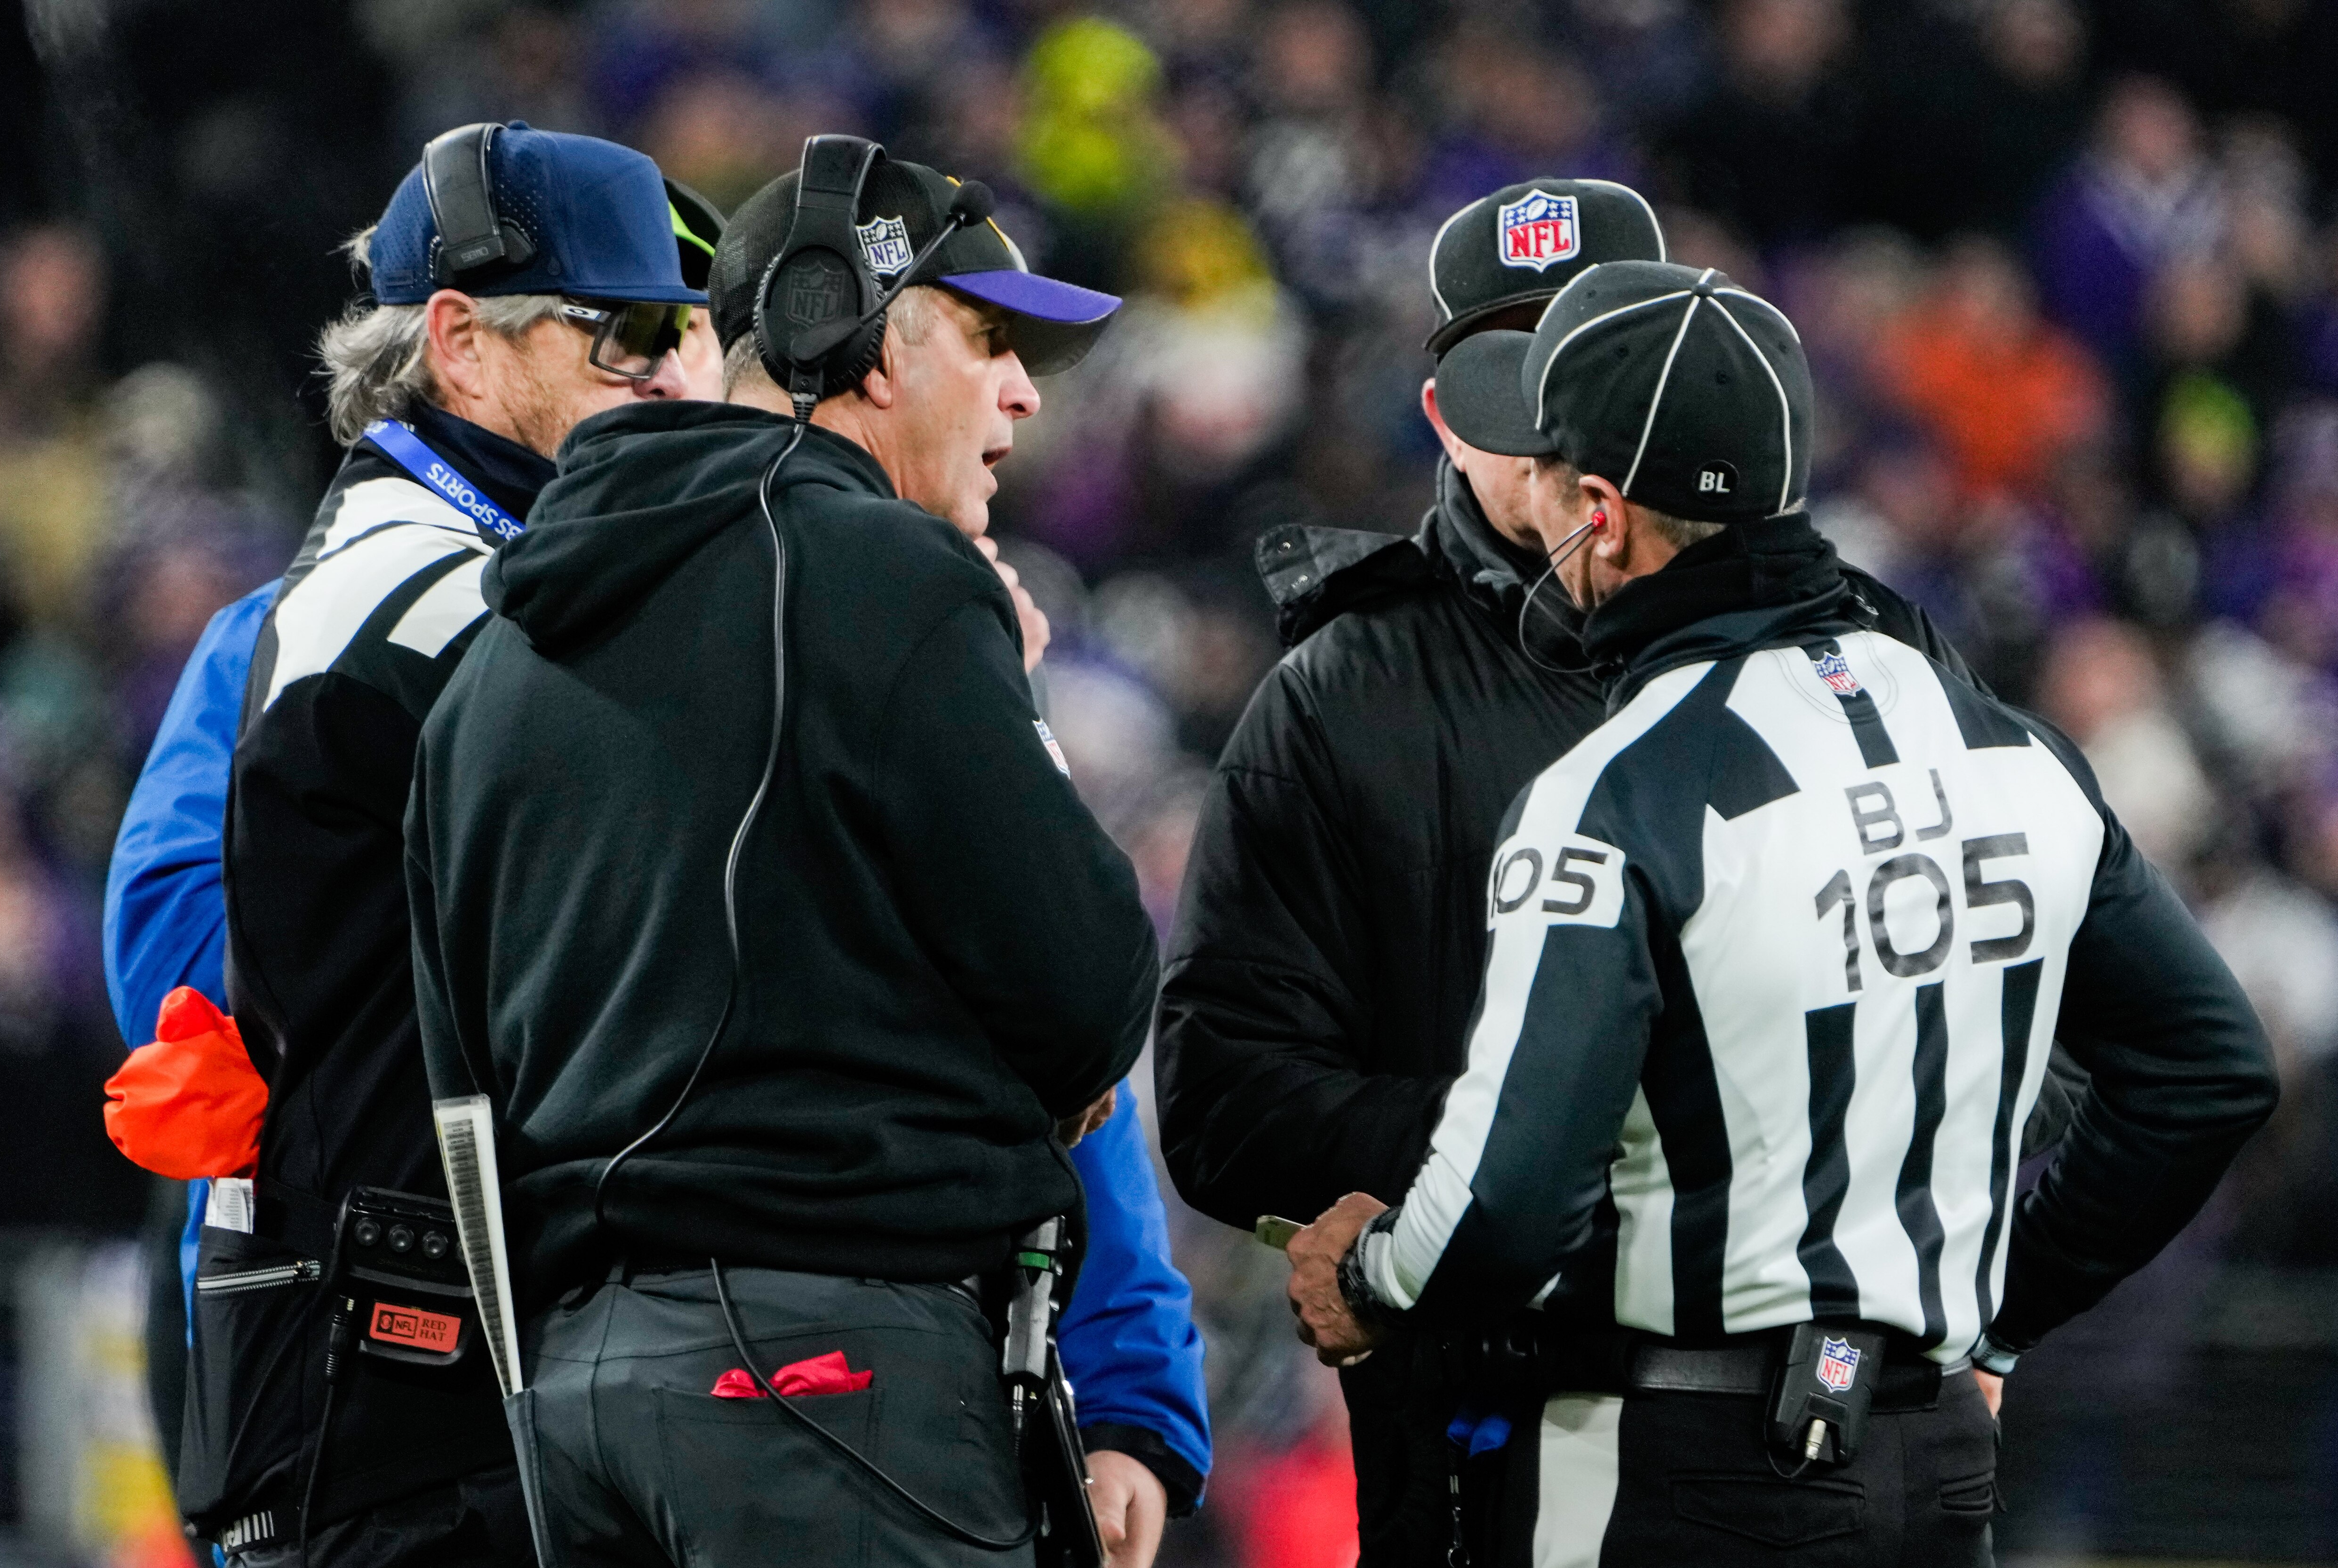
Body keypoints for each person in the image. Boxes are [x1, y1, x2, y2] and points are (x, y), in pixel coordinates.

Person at [111, 144, 1205, 1565]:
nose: (683, 367)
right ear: (462, 345)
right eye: (631, 331)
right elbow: (193, 998)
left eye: (695, 323)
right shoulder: (351, 626)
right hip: (409, 1406)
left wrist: (1124, 1382)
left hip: (539, 1396)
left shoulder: (808, 588)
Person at [1285, 260, 2280, 1565]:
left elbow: (1504, 1212)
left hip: (1679, 1475)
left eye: (1546, 464)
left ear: (1603, 511)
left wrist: (1368, 1279)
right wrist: (1983, 1323)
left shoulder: (1614, 795)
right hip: (1934, 1473)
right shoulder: (2001, 740)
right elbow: (2207, 1070)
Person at [1152, 180, 2077, 1567]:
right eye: (1519, 377)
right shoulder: (1344, 691)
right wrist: (1556, 1163)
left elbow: (2042, 1047)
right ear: (1444, 412)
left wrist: (1987, 1307)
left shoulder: (1863, 660)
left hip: (1842, 1427)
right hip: (1485, 1428)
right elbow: (1225, 1097)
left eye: (1597, 368)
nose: (1555, 433)